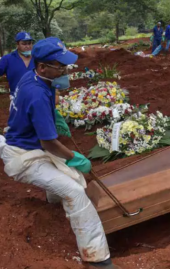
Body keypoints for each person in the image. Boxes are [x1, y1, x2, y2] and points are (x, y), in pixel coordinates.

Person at [0, 37, 120, 269]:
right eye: (60, 66)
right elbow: (49, 144)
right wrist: (74, 157)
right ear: (42, 67)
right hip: (24, 157)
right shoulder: (37, 94)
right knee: (75, 190)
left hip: (27, 143)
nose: (65, 71)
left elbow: (38, 114)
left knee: (68, 175)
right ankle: (97, 258)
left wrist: (52, 116)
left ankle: (54, 204)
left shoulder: (32, 77)